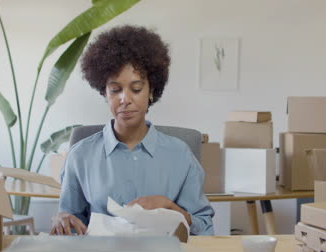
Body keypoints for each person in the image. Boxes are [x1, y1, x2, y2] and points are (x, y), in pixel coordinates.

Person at [50, 25, 214, 236]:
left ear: (151, 91)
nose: (125, 99)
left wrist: (173, 209)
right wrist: (63, 220)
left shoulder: (180, 155)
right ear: (104, 93)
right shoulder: (80, 156)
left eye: (136, 89)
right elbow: (70, 222)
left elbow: (205, 227)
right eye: (115, 90)